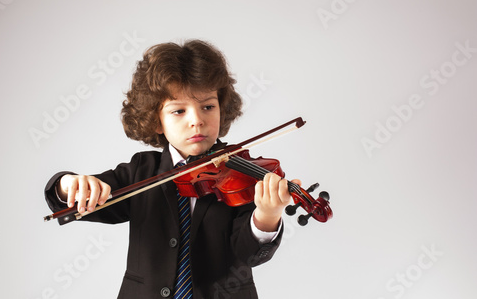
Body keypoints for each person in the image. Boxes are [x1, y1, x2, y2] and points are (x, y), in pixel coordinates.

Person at [44, 39, 301, 299]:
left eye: (208, 107)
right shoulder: (142, 171)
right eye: (179, 111)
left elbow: (248, 254)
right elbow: (77, 199)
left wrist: (267, 216)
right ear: (157, 122)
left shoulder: (241, 175)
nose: (197, 120)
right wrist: (68, 185)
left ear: (222, 109)